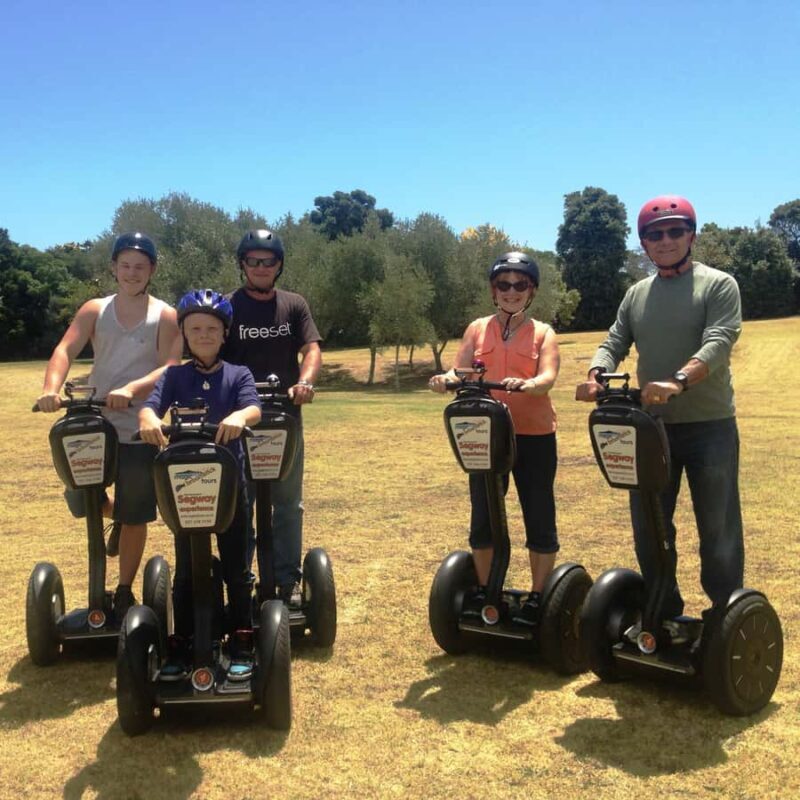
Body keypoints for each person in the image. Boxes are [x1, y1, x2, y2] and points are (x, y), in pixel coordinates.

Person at [575, 195, 744, 619]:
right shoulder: (637, 294)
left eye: (675, 231)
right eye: (655, 234)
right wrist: (597, 373)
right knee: (649, 525)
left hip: (709, 426)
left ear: (691, 236)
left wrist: (678, 381)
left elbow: (719, 341)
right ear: (644, 243)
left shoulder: (718, 284)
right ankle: (661, 611)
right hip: (651, 428)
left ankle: (725, 617)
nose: (665, 240)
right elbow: (615, 339)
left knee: (718, 528)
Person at [36, 232, 182, 622]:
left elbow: (171, 366)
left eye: (140, 266)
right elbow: (65, 349)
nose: (132, 273)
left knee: (136, 514)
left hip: (139, 424)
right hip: (95, 422)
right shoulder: (95, 310)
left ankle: (122, 590)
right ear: (114, 267)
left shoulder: (164, 315)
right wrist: (51, 389)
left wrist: (132, 390)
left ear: (152, 270)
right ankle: (114, 515)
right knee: (83, 500)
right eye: (125, 265)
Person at [429, 252, 561, 624]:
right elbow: (461, 370)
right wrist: (445, 379)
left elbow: (548, 376)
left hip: (533, 435)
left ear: (531, 290)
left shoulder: (543, 333)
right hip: (485, 434)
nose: (511, 291)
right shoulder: (477, 329)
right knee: (483, 516)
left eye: (520, 284)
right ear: (493, 289)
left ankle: (538, 597)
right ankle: (487, 591)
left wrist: (532, 384)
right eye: (504, 284)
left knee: (538, 512)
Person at [139, 289, 262, 680]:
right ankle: (184, 640)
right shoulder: (175, 376)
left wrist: (240, 416)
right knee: (187, 570)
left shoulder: (238, 374)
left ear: (224, 334)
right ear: (184, 335)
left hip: (230, 487)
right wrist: (148, 419)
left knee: (237, 567)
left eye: (211, 329)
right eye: (195, 329)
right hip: (186, 489)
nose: (204, 335)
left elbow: (254, 407)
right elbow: (150, 407)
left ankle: (242, 637)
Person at [220, 229, 322, 607]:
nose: (261, 267)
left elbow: (311, 349)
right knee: (240, 505)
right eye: (253, 260)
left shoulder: (293, 304)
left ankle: (286, 580)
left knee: (288, 503)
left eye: (269, 261)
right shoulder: (228, 306)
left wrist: (305, 382)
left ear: (279, 265)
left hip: (284, 419)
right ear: (243, 264)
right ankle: (241, 582)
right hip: (239, 421)